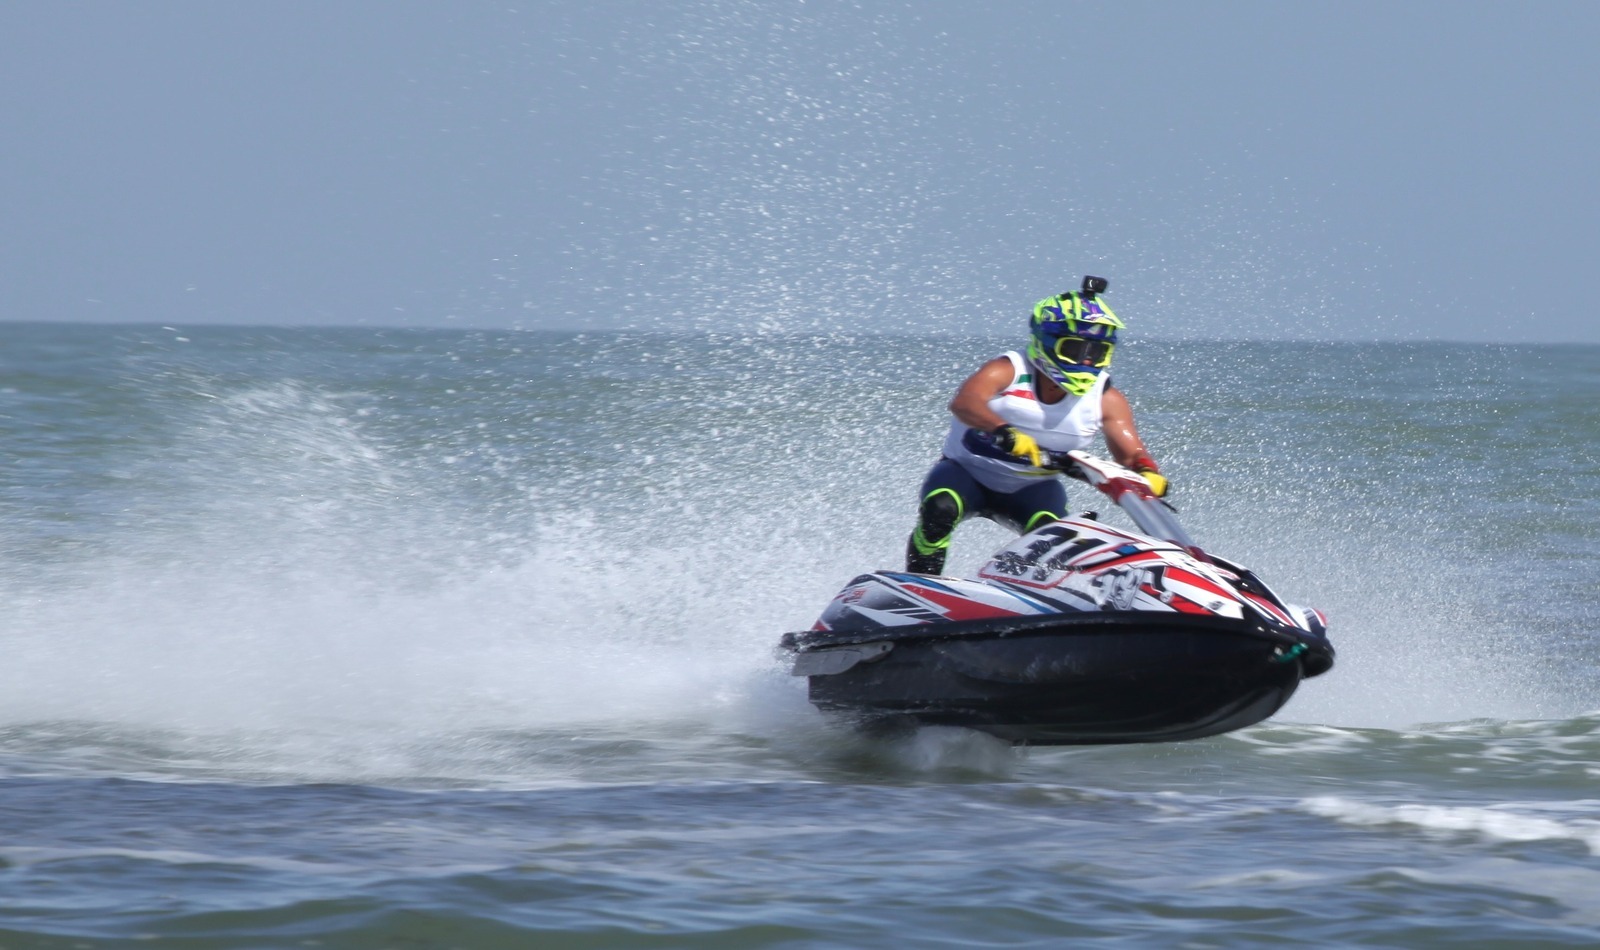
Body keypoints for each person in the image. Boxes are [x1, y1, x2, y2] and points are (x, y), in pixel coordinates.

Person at [905, 276, 1168, 575]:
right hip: (966, 475)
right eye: (1074, 350)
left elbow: (1131, 453)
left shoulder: (1107, 399)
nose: (1085, 361)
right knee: (940, 509)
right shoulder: (1007, 370)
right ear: (1047, 343)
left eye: (1095, 352)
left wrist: (1148, 472)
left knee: (1053, 542)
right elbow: (965, 402)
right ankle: (917, 584)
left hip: (1032, 489)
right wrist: (1004, 431)